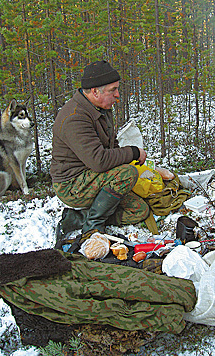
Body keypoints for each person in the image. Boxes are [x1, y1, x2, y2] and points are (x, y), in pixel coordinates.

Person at [50, 60, 150, 248]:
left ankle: (77, 218)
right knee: (127, 173)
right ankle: (92, 226)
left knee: (139, 211)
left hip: (92, 175)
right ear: (95, 91)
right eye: (113, 90)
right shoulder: (75, 118)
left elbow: (111, 146)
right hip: (72, 184)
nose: (117, 95)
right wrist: (134, 153)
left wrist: (125, 157)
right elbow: (99, 161)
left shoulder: (100, 109)